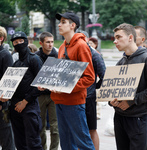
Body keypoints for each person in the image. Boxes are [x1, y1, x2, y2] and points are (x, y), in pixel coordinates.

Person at [45, 12, 95, 150]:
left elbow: (90, 78)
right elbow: (61, 75)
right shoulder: (62, 47)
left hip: (74, 102)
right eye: (59, 22)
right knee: (66, 144)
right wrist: (47, 84)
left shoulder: (81, 45)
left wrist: (66, 87)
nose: (59, 25)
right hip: (59, 100)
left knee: (83, 143)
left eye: (63, 22)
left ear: (73, 25)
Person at [109, 23, 147, 150]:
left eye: (118, 37)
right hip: (119, 116)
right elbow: (113, 89)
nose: (115, 41)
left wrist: (131, 101)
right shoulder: (120, 62)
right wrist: (111, 101)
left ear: (130, 38)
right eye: (115, 38)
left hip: (137, 118)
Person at [0, 31, 43, 149]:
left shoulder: (35, 59)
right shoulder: (16, 64)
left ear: (26, 41)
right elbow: (11, 86)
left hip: (29, 107)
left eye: (21, 41)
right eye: (15, 42)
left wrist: (25, 101)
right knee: (20, 143)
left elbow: (40, 84)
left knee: (33, 142)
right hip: (15, 107)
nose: (18, 43)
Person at [80, 31, 106, 150]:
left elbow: (104, 75)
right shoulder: (73, 52)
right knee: (77, 129)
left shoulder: (94, 54)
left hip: (89, 97)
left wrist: (95, 87)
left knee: (91, 129)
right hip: (74, 97)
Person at [35, 31, 59, 150]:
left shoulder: (58, 54)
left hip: (55, 94)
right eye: (47, 42)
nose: (50, 44)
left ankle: (53, 149)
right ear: (41, 43)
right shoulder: (36, 56)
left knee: (55, 127)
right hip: (40, 95)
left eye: (52, 42)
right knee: (40, 126)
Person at [0, 26, 15, 150]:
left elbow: (8, 81)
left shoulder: (5, 55)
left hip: (2, 103)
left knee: (6, 139)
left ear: (1, 38)